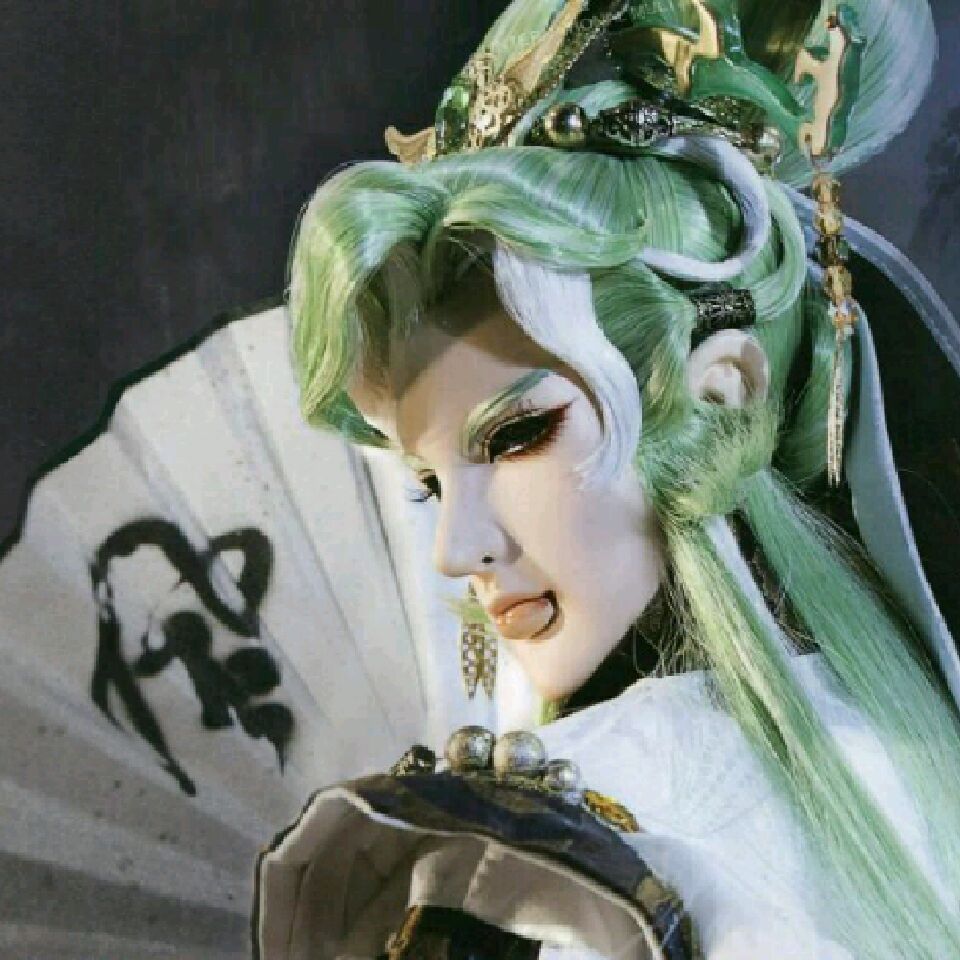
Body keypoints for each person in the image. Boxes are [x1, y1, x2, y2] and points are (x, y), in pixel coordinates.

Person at [254, 1, 960, 957]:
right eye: (429, 484)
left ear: (722, 397)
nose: (457, 550)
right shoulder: (912, 758)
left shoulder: (534, 871)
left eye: (517, 437)